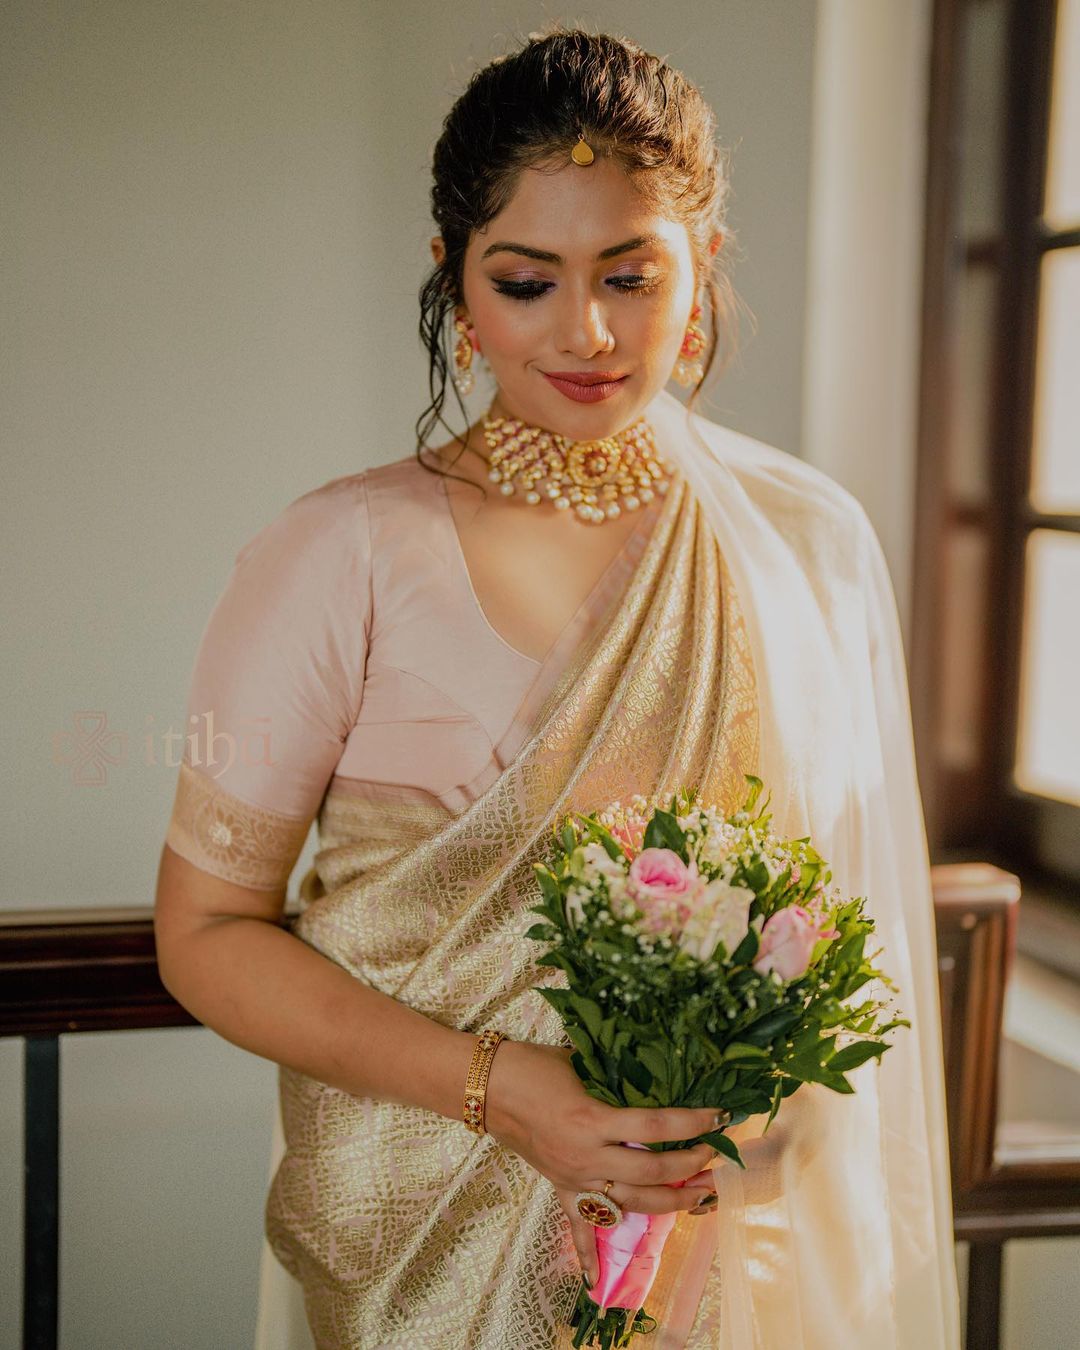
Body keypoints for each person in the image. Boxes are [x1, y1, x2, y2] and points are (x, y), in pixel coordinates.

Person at [154, 25, 961, 1350]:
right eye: (526, 280)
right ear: (455, 288)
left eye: (631, 276)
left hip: (727, 1239)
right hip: (421, 1236)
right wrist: (503, 1086)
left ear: (700, 276)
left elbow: (830, 904)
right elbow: (205, 932)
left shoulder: (804, 542)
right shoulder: (339, 553)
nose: (585, 331)